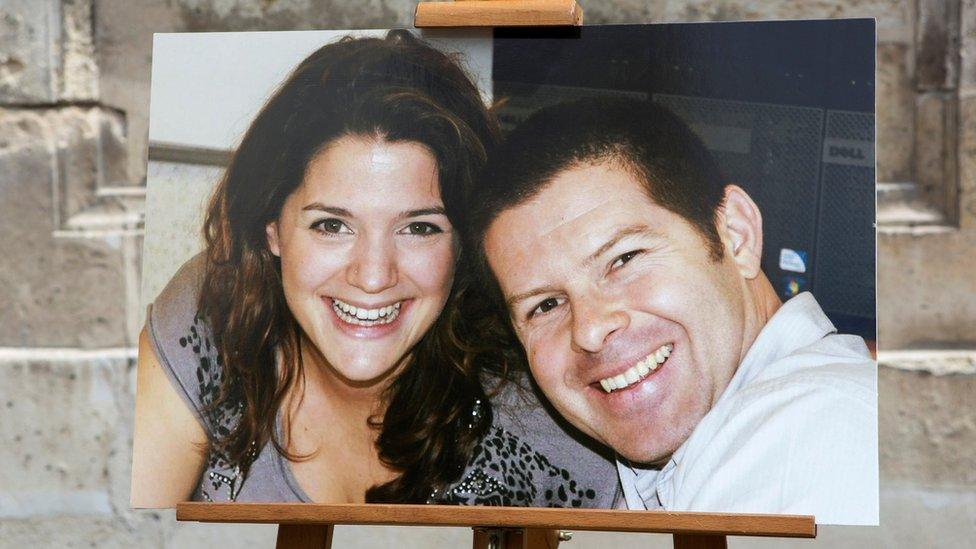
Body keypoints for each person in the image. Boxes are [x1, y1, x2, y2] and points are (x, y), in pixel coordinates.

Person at [130, 31, 616, 507]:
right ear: (271, 230)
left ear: (465, 247)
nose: (373, 276)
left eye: (420, 229)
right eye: (331, 225)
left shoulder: (550, 440)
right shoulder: (215, 312)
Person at [466, 96, 878, 524]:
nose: (589, 329)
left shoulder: (808, 443)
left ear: (735, 236)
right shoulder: (707, 453)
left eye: (623, 259)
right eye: (546, 305)